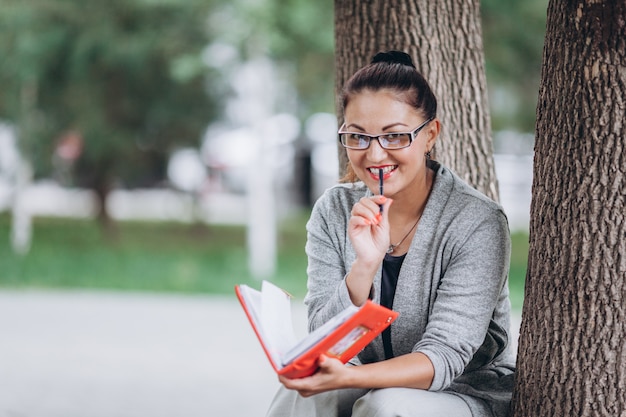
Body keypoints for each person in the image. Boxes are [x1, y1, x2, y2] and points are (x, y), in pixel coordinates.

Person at [266, 50, 515, 417]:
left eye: (395, 136)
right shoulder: (334, 210)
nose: (375, 154)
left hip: (462, 392)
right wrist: (364, 267)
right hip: (365, 379)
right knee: (301, 396)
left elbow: (444, 357)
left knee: (385, 407)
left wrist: (347, 378)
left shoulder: (477, 221)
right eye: (358, 137)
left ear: (430, 135)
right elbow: (325, 340)